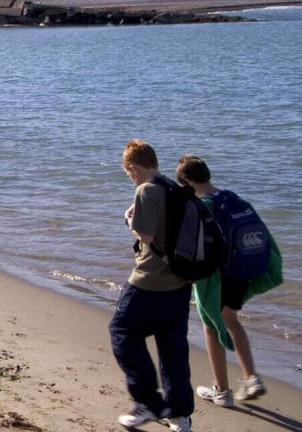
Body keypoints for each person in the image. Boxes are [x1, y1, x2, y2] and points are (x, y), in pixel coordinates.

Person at [175, 155, 279, 408]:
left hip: (217, 278)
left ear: (187, 180)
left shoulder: (202, 206)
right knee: (231, 320)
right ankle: (250, 376)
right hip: (242, 272)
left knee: (211, 325)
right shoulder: (233, 199)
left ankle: (222, 391)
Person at [112, 139, 193, 432]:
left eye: (129, 172)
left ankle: (147, 401)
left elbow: (145, 235)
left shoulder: (146, 189)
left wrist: (128, 218)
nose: (131, 177)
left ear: (133, 168)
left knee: (121, 331)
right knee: (173, 347)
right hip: (180, 282)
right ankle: (180, 414)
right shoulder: (173, 187)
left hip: (149, 280)